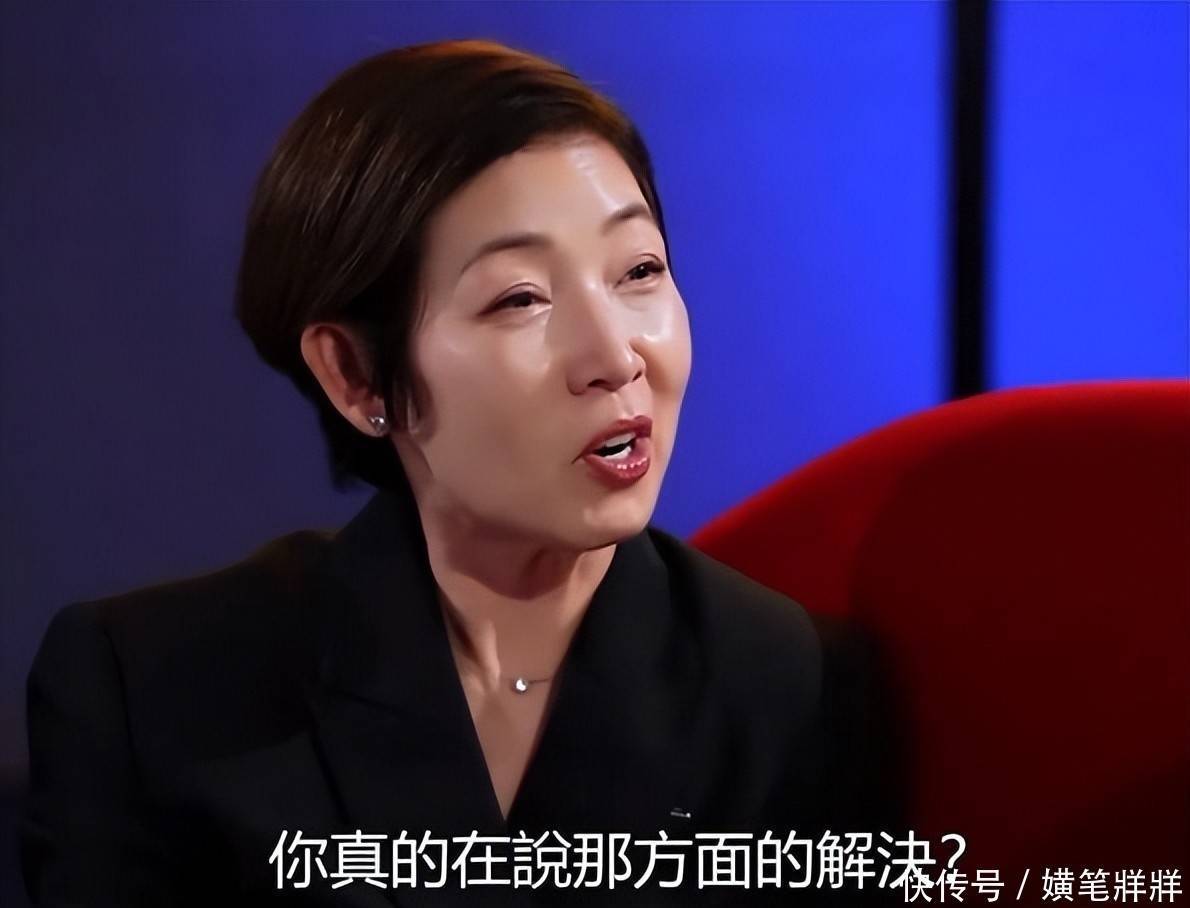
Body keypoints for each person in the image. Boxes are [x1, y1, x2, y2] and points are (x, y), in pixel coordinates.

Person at [21, 39, 901, 906]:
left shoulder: (786, 686)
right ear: (354, 374)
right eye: (520, 298)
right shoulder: (150, 689)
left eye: (639, 270)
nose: (614, 356)